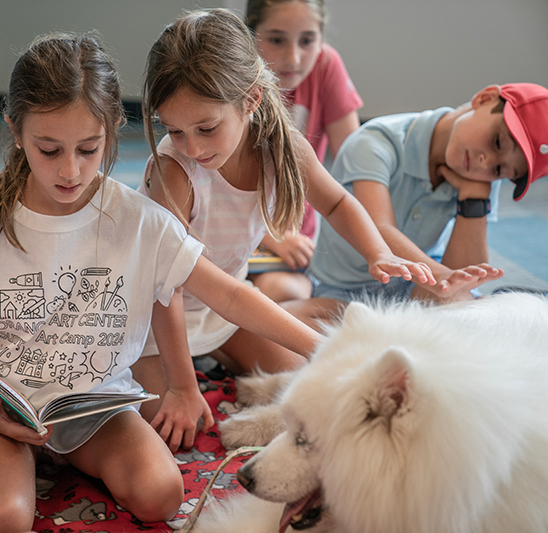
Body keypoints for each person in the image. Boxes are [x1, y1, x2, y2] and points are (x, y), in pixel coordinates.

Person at [0, 31, 331, 533]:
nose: (70, 170)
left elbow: (230, 293)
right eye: (49, 150)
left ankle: (65, 458)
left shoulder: (140, 219)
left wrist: (329, 347)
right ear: (16, 131)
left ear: (111, 130)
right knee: (1, 521)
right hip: (3, 407)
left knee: (161, 495)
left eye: (88, 149)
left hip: (93, 400)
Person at [133, 8, 433, 431]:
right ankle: (184, 371)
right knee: (170, 425)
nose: (192, 147)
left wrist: (377, 253)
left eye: (206, 128)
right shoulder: (173, 172)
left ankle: (215, 358)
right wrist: (183, 386)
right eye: (175, 130)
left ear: (251, 99)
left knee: (304, 382)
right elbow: (169, 291)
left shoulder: (284, 147)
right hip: (154, 318)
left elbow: (337, 204)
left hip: (223, 311)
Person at [296, 82, 548, 325]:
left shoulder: (481, 177)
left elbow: (463, 272)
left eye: (500, 169)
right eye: (497, 142)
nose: (486, 161)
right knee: (291, 335)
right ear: (485, 98)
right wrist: (441, 276)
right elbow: (381, 231)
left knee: (466, 310)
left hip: (416, 287)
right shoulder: (376, 141)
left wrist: (474, 200)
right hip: (344, 289)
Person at [244, 0, 363, 302]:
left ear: (321, 38)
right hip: (230, 233)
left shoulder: (326, 65)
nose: (293, 57)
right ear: (250, 34)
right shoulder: (234, 74)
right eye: (276, 40)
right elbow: (208, 180)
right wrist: (269, 236)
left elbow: (357, 161)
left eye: (307, 41)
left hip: (294, 244)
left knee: (286, 298)